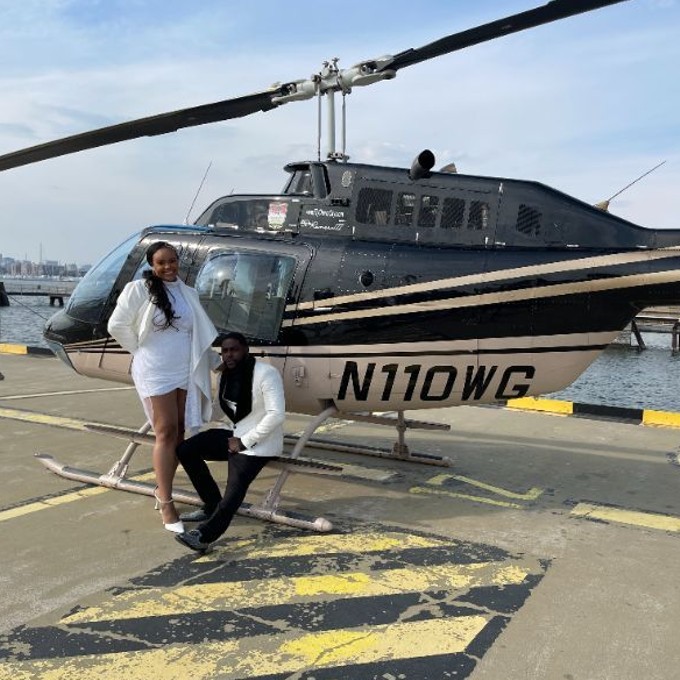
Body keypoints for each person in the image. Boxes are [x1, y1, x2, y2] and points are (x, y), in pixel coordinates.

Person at [107, 241, 218, 534]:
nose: (168, 267)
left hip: (185, 368)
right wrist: (140, 350)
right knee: (166, 431)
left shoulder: (187, 292)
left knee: (180, 432)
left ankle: (162, 484)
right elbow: (117, 325)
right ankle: (166, 501)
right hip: (156, 369)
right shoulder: (139, 291)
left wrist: (218, 362)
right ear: (151, 265)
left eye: (172, 261)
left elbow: (198, 334)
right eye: (161, 263)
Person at [174, 331, 285, 552]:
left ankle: (204, 536)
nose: (228, 355)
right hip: (232, 433)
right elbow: (223, 412)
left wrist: (244, 442)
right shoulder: (225, 375)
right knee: (186, 449)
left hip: (258, 443)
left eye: (234, 349)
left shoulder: (266, 373)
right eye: (224, 351)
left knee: (234, 491)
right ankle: (210, 504)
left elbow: (276, 414)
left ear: (245, 350)